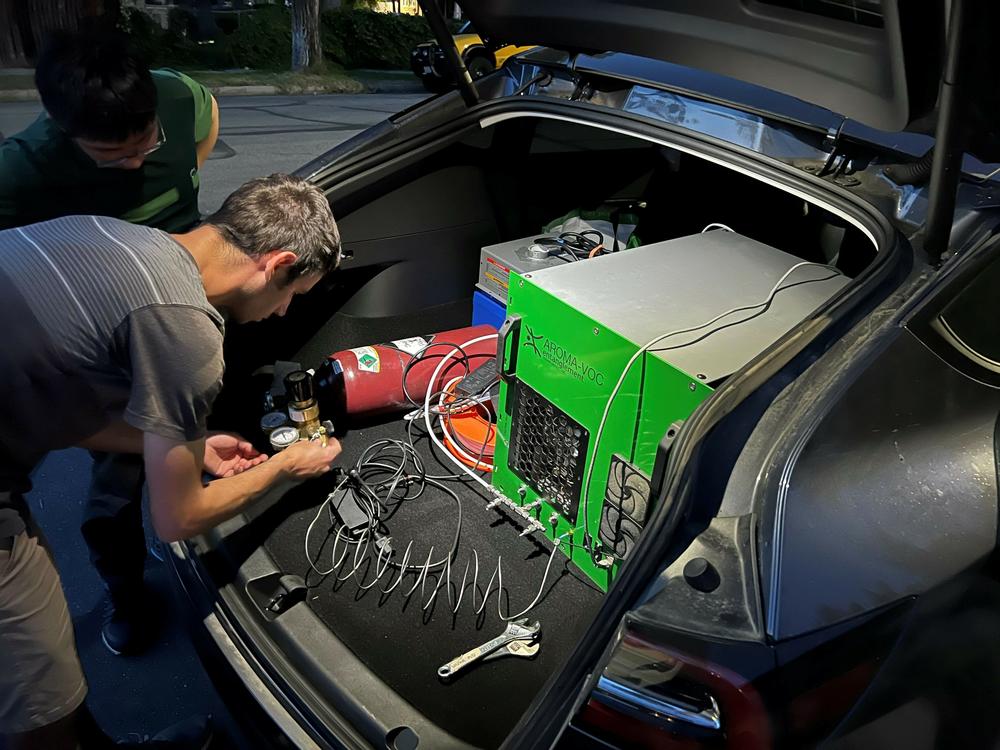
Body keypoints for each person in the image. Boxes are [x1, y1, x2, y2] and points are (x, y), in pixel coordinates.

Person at [0, 174, 344, 750]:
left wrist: (187, 441)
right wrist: (286, 467)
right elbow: (176, 519)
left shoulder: (113, 236)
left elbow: (54, 396)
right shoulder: (188, 332)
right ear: (277, 262)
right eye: (293, 294)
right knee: (41, 689)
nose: (284, 312)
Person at [0, 30, 221, 655]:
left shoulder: (177, 97)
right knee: (117, 485)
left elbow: (207, 115)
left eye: (143, 146)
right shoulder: (22, 170)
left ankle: (222, 541)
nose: (133, 164)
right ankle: (126, 591)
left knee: (218, 430)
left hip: (191, 306)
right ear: (60, 127)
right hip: (112, 344)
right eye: (109, 156)